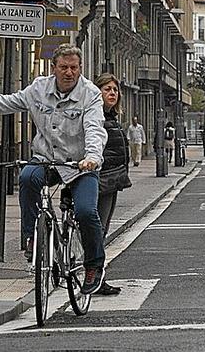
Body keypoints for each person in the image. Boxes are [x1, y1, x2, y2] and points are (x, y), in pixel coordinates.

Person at [0, 44, 108, 295]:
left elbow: (95, 129)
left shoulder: (90, 94)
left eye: (74, 68)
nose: (69, 73)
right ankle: (31, 237)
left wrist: (92, 157)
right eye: (64, 67)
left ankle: (94, 265)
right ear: (53, 68)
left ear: (80, 69)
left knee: (87, 212)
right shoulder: (39, 89)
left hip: (80, 165)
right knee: (27, 176)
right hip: (46, 159)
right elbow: (7, 102)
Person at [93, 73, 132, 296]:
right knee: (97, 230)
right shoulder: (95, 117)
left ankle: (97, 274)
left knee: (101, 230)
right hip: (101, 180)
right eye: (107, 89)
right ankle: (96, 276)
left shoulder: (111, 117)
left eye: (115, 90)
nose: (112, 93)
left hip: (112, 180)